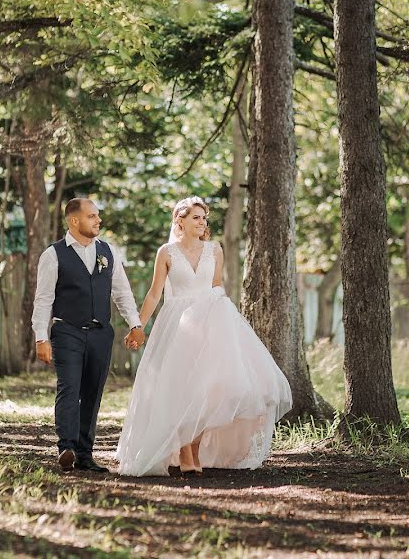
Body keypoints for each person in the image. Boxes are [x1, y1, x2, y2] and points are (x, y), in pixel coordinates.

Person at [116, 196, 293, 476]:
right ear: (180, 221)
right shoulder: (167, 252)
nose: (202, 222)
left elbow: (216, 286)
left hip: (212, 321)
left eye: (204, 218)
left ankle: (196, 450)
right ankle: (185, 452)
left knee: (209, 389)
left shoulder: (215, 250)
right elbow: (154, 293)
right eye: (196, 217)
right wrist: (138, 325)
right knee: (182, 388)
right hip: (179, 324)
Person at [32, 198, 146, 473]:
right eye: (92, 216)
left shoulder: (108, 251)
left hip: (100, 334)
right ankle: (66, 448)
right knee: (69, 388)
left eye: (98, 216)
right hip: (67, 331)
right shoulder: (53, 254)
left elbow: (121, 291)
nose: (98, 220)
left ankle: (85, 454)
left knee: (92, 394)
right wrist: (40, 337)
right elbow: (44, 299)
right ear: (74, 221)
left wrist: (135, 324)